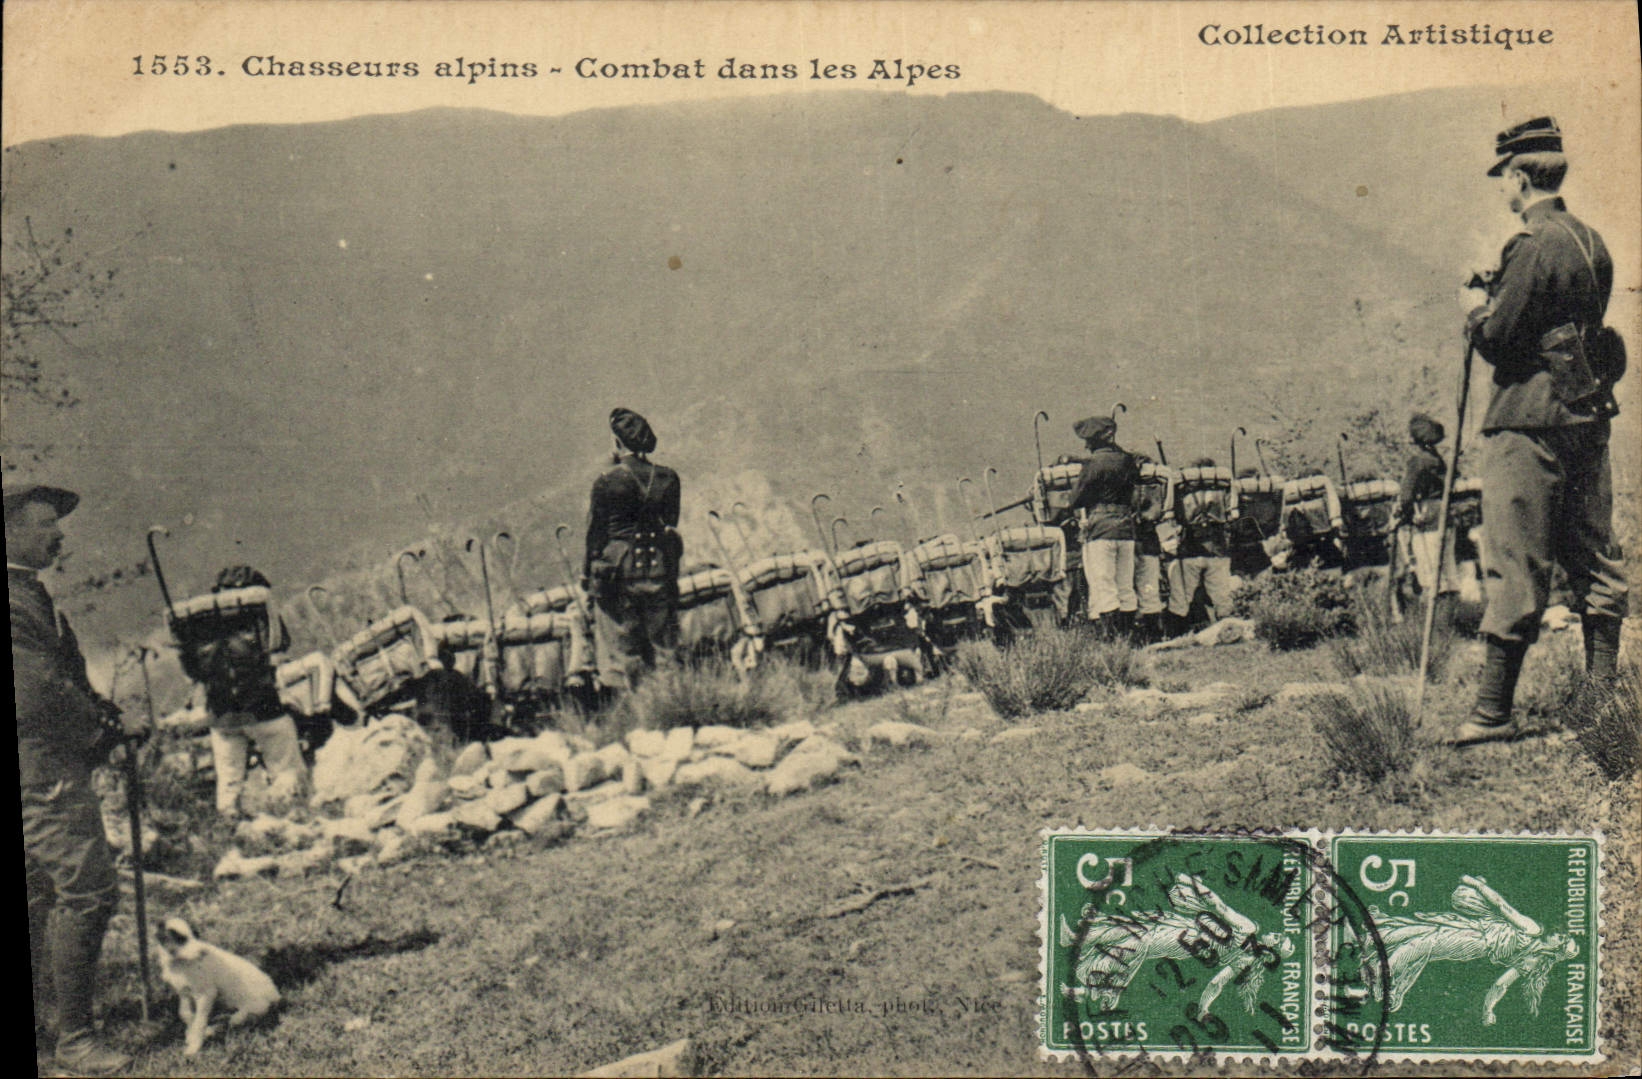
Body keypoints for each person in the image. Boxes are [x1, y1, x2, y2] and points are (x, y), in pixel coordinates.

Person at [1456, 117, 1628, 745]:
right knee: (1593, 555)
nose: (1504, 188)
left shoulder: (1529, 243)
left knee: (1513, 561)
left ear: (1522, 176)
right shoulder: (1593, 241)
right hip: (1586, 416)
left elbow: (1501, 340)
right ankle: (1603, 701)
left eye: (1505, 177)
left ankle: (1492, 713)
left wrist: (1474, 307)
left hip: (1527, 421)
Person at [10, 481, 138, 1074]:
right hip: (44, 769)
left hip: (44, 764)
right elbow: (34, 694)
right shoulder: (13, 601)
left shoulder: (28, 594)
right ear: (9, 531)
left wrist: (103, 716)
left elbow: (62, 681)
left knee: (39, 896)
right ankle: (76, 1040)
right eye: (43, 524)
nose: (58, 534)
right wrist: (101, 731)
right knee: (87, 891)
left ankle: (46, 1027)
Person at [177, 566, 310, 817]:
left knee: (229, 781)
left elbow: (191, 671)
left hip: (221, 715)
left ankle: (232, 830)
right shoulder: (256, 615)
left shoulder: (199, 625)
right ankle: (293, 820)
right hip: (263, 708)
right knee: (285, 770)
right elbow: (281, 643)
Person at [585, 407, 683, 693]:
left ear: (617, 443)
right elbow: (671, 521)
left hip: (619, 574)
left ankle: (638, 711)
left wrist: (586, 576)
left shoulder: (606, 481)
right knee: (664, 648)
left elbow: (595, 535)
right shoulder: (668, 478)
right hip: (659, 568)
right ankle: (671, 704)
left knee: (624, 648)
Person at [1059, 416, 1140, 639]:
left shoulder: (1093, 464)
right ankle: (1130, 639)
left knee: (1104, 585)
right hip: (1126, 529)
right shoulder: (1127, 460)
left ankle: (1113, 640)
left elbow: (1076, 500)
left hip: (1101, 530)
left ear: (1093, 441)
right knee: (1125, 585)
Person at [1395, 413, 1460, 611]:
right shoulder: (1438, 460)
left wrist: (1402, 514)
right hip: (1444, 514)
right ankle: (1452, 616)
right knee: (1448, 569)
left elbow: (1406, 495)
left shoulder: (1417, 462)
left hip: (1425, 516)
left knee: (1430, 572)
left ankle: (1437, 621)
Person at [1166, 457, 1238, 635]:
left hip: (1189, 549)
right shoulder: (1222, 486)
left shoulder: (1183, 487)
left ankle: (1177, 635)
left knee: (1181, 598)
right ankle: (1229, 634)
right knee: (1222, 597)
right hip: (1218, 549)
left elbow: (1171, 517)